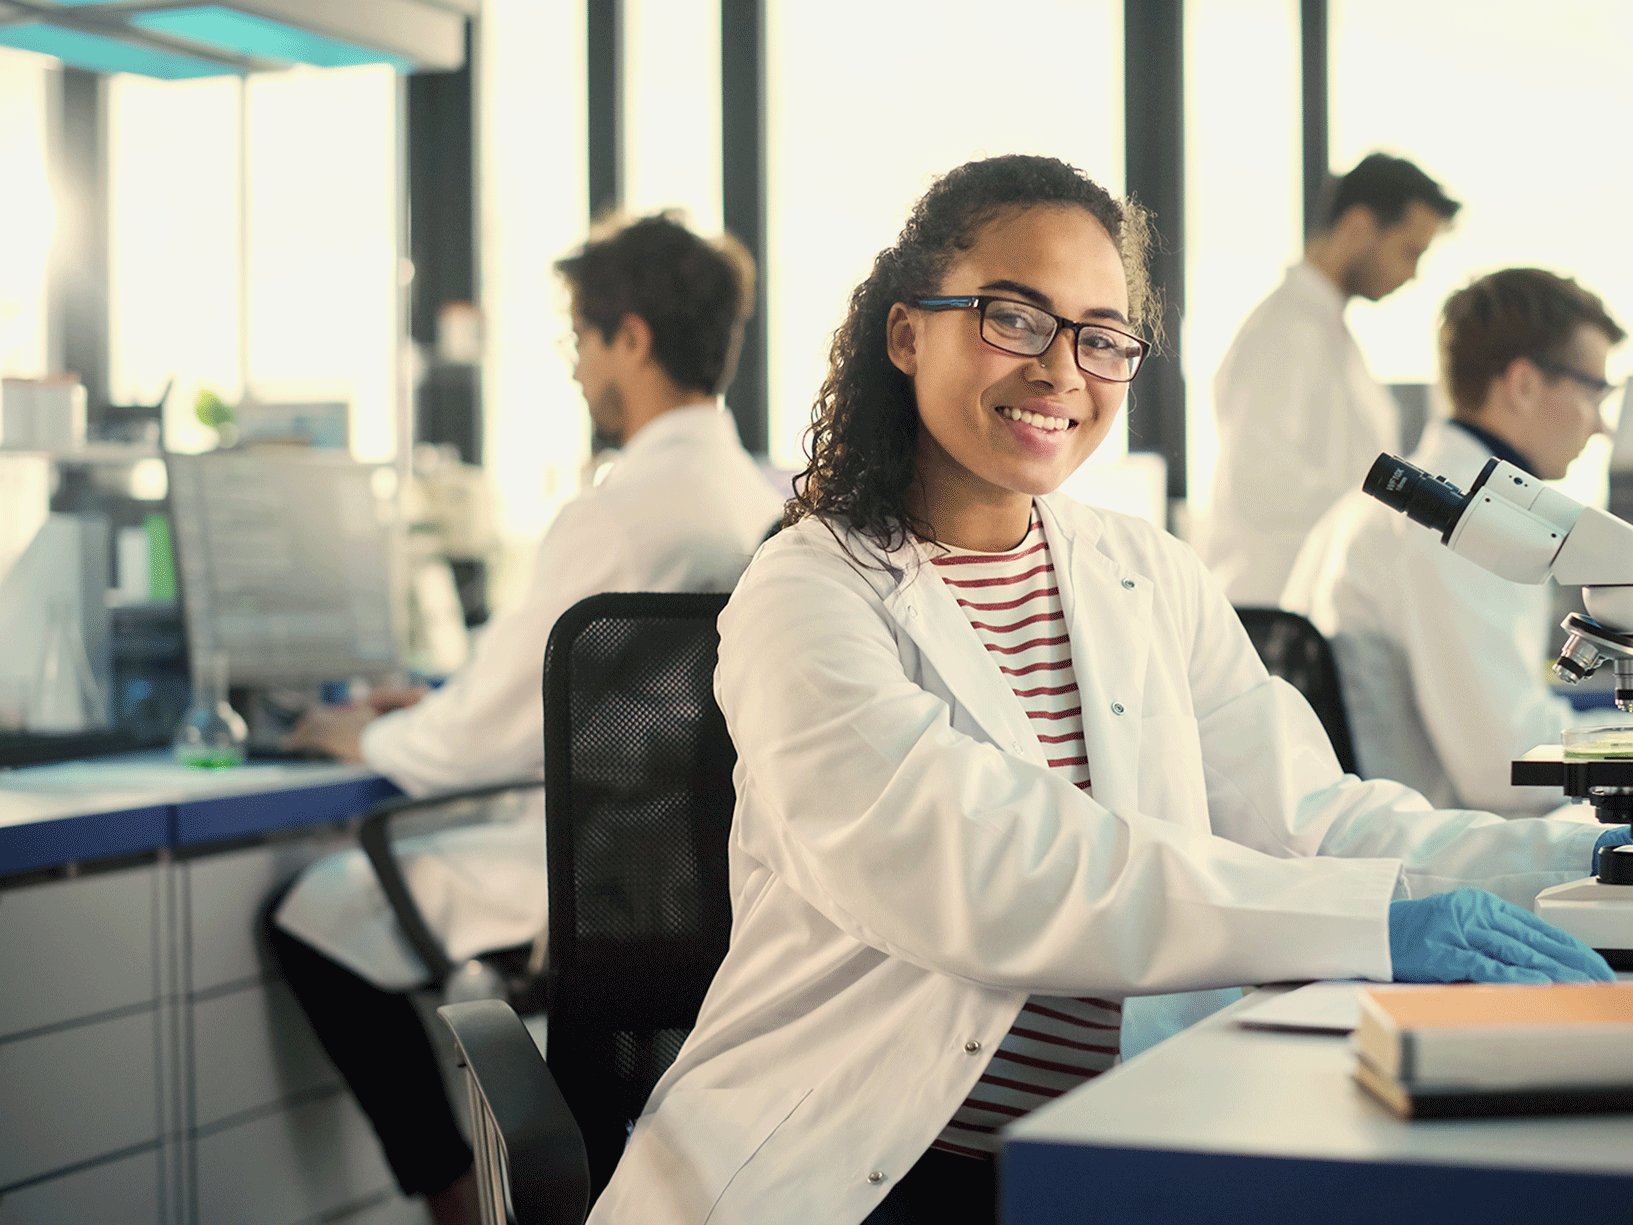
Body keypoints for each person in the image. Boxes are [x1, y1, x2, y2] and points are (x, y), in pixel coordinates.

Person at [585, 156, 1628, 1225]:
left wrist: (1580, 864)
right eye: (1013, 318)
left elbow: (1312, 818)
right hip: (866, 1166)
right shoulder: (802, 595)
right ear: (907, 334)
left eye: (1100, 336)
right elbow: (993, 869)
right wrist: (1379, 919)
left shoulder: (1145, 569)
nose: (1059, 371)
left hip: (1125, 1135)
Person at [268, 213, 784, 1225]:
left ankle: (455, 1207)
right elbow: (572, 690)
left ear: (628, 339)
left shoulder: (621, 505)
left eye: (579, 342)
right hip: (686, 872)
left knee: (310, 914)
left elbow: (485, 736)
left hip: (583, 874)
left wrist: (361, 735)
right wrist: (444, 701)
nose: (578, 370)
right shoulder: (742, 488)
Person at [1283, 268, 1628, 816]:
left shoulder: (1376, 508)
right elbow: (1508, 763)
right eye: (1595, 391)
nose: (1601, 427)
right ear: (1522, 385)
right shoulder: (1471, 530)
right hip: (1443, 852)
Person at [1204, 152, 1461, 605]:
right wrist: (1399, 512)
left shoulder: (1327, 335)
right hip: (1273, 611)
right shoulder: (1284, 332)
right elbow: (1260, 482)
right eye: (1410, 251)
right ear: (1359, 227)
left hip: (1308, 603)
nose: (1414, 274)